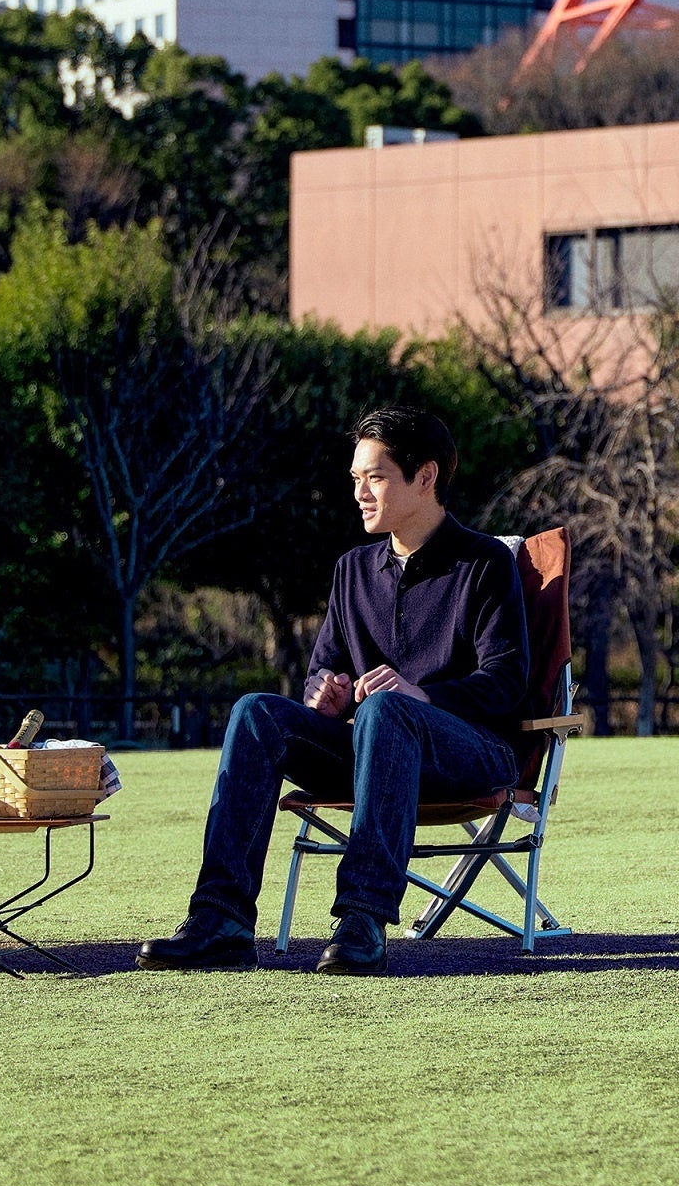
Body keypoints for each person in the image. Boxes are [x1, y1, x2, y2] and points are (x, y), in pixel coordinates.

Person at [138, 405, 527, 975]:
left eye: (376, 478)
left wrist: (422, 697)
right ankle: (221, 918)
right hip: (372, 748)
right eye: (355, 479)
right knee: (256, 712)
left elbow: (508, 683)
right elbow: (322, 673)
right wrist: (327, 697)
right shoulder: (352, 570)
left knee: (390, 710)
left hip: (470, 753)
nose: (361, 493)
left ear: (426, 477)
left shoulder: (486, 562)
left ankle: (363, 918)